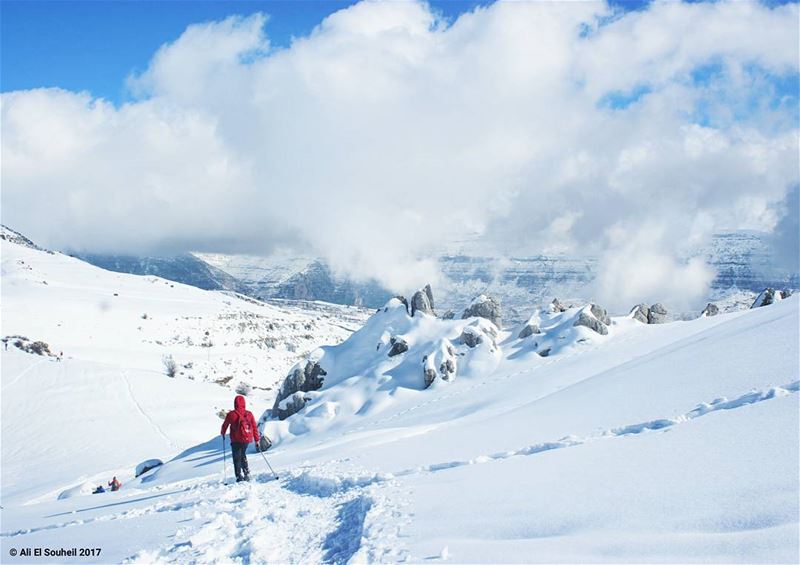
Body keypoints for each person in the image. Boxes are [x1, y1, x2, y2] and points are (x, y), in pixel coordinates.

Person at [220, 395, 260, 482]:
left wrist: (222, 433)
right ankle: (246, 473)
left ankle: (239, 476)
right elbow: (254, 427)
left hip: (236, 440)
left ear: (235, 404)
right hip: (246, 439)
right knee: (242, 454)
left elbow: (225, 425)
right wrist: (257, 440)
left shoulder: (231, 414)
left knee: (236, 457)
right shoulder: (249, 414)